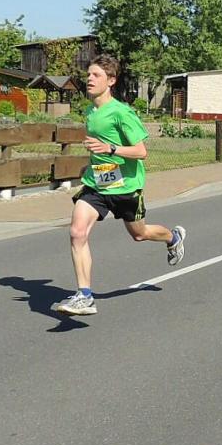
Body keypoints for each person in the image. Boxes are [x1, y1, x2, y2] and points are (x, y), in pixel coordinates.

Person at [53, 55, 186, 316]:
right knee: (77, 232)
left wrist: (111, 149)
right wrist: (91, 164)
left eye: (96, 75)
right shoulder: (90, 111)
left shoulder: (122, 113)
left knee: (139, 234)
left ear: (111, 81)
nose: (89, 79)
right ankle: (84, 295)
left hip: (126, 187)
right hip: (97, 185)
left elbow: (141, 151)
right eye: (88, 75)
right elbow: (98, 147)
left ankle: (173, 238)